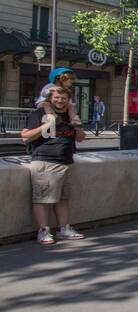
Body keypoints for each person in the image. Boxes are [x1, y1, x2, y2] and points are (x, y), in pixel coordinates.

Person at [20, 83, 87, 245]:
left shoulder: (69, 116)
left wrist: (77, 124)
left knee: (63, 199)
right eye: (56, 97)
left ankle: (63, 229)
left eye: (63, 98)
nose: (60, 101)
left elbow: (80, 138)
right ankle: (43, 231)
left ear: (68, 100)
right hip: (44, 161)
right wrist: (47, 125)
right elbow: (25, 137)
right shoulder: (40, 113)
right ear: (50, 99)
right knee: (42, 199)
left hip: (66, 162)